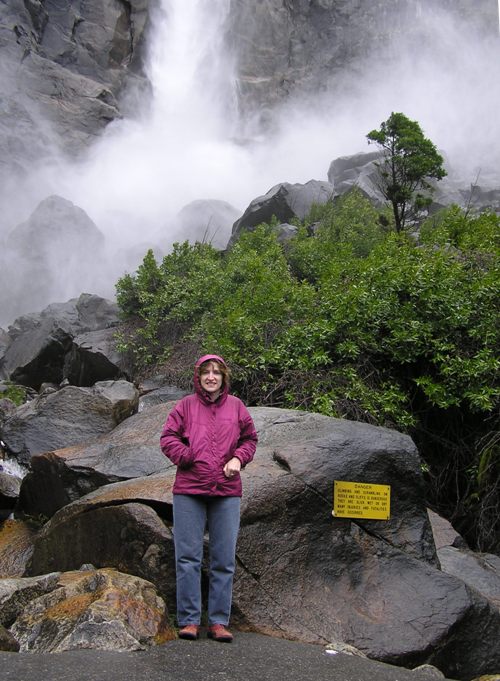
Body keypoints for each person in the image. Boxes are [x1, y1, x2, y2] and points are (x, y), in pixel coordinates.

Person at [160, 354, 258, 642]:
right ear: (198, 376)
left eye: (216, 372)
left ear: (223, 377)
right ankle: (189, 620)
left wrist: (239, 459)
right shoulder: (185, 406)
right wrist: (187, 455)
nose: (211, 377)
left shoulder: (237, 406)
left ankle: (218, 622)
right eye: (206, 372)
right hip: (189, 489)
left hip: (226, 491)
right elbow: (168, 438)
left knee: (223, 559)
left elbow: (250, 439)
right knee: (188, 557)